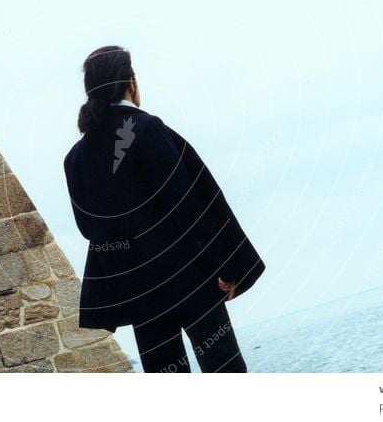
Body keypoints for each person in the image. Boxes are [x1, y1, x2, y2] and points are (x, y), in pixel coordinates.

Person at [63, 45, 266, 373]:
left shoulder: (75, 159)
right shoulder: (147, 129)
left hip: (141, 296)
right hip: (191, 280)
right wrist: (227, 267)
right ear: (131, 81)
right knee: (225, 372)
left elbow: (89, 227)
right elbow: (185, 204)